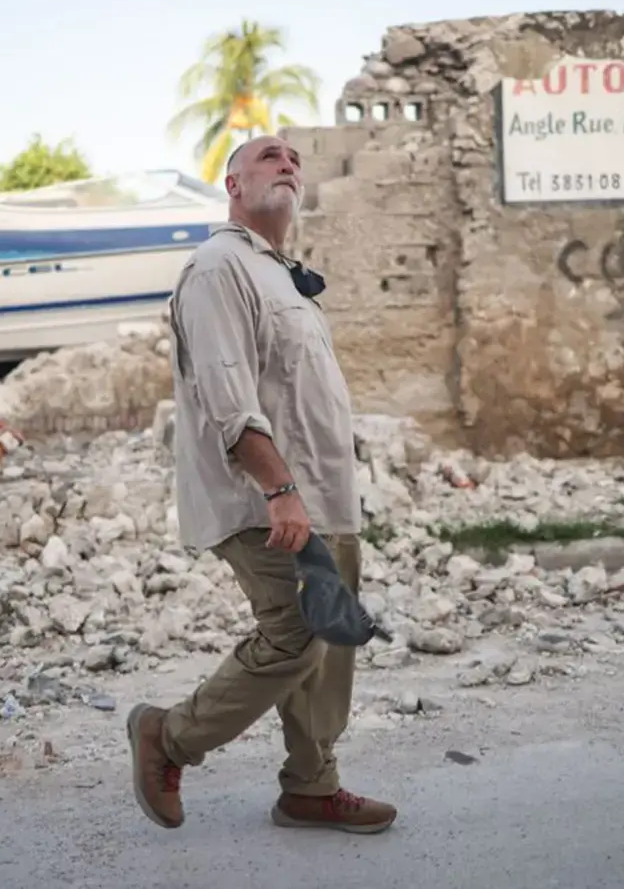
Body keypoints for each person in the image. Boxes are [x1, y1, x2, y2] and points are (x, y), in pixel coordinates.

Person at [126, 134, 397, 835]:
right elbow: (227, 396)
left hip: (323, 496)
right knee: (294, 638)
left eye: (295, 159)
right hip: (266, 498)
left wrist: (318, 492)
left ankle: (311, 787)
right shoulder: (219, 268)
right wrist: (280, 490)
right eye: (269, 156)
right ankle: (169, 736)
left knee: (328, 641)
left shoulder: (282, 273)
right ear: (233, 183)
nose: (289, 163)